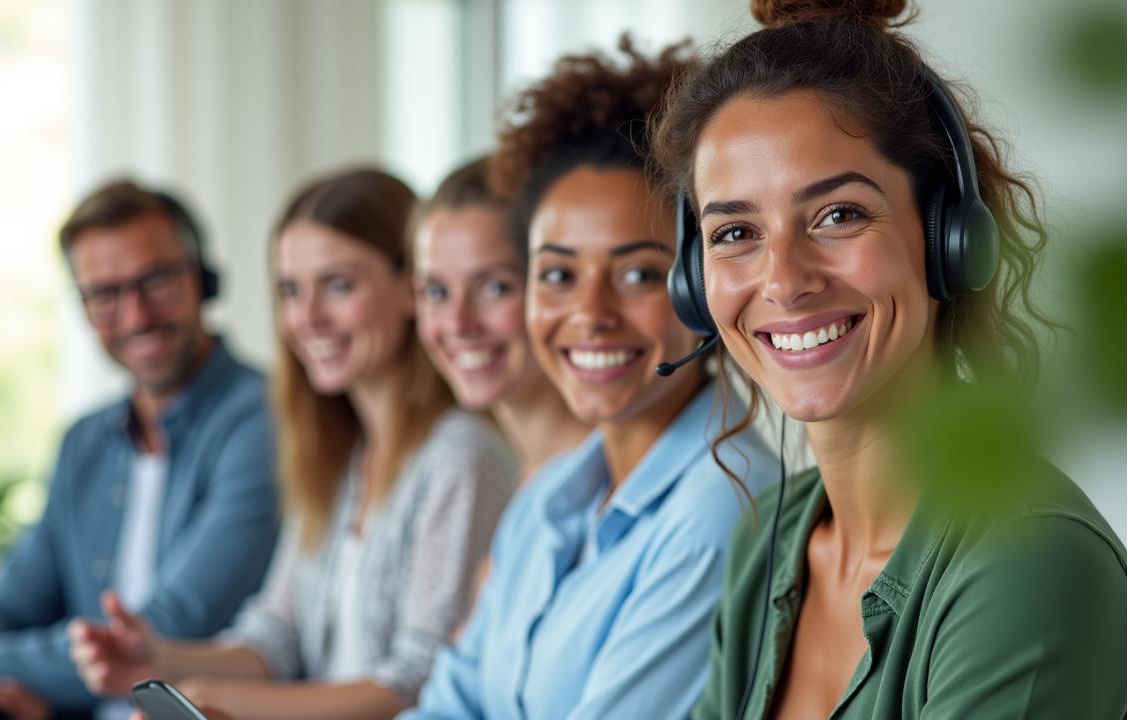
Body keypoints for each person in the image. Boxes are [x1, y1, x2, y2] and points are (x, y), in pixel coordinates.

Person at [651, 1, 1127, 717]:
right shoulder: (768, 540)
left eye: (838, 215)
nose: (784, 281)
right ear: (694, 281)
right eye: (736, 233)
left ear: (947, 241)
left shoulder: (1031, 560)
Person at [403, 37, 779, 720]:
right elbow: (449, 705)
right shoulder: (550, 499)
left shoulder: (722, 509)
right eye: (557, 274)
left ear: (699, 287)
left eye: (637, 274)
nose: (590, 314)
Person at [69, 168, 517, 720]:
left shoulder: (460, 457)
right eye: (290, 290)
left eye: (339, 285)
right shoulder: (341, 455)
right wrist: (158, 659)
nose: (307, 318)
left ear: (410, 287)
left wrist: (226, 703)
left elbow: (421, 681)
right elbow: (277, 634)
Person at [0, 180, 281, 719]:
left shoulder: (267, 418)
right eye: (105, 295)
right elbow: (3, 609)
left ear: (204, 280)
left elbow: (165, 631)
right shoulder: (84, 443)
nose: (136, 315)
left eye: (157, 281)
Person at [413, 155, 590, 479]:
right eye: (436, 292)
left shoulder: (596, 481)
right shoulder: (528, 474)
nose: (458, 324)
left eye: (495, 288)